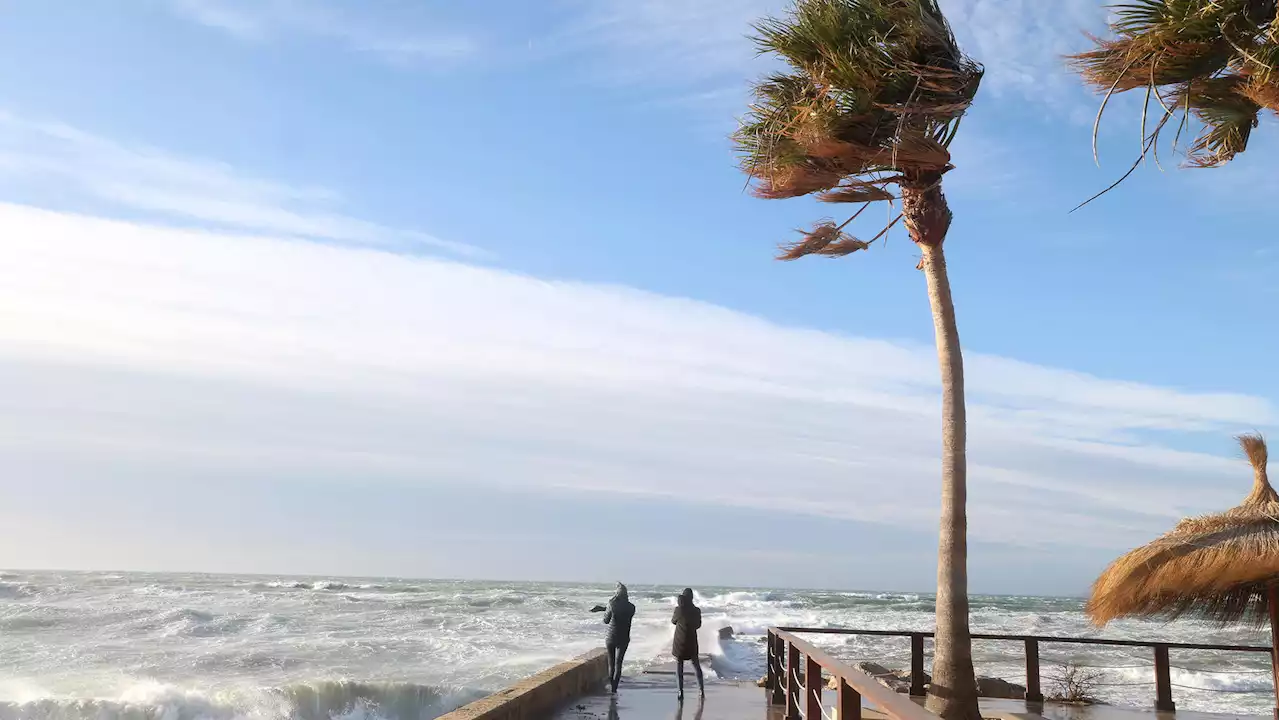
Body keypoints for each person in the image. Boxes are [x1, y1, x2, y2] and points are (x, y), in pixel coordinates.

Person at [671, 588, 703, 701]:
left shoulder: (679, 610)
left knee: (679, 668)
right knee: (696, 666)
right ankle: (701, 690)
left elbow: (673, 621)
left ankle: (680, 691)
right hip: (692, 642)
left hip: (679, 641)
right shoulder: (696, 611)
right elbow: (698, 625)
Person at [602, 582, 635, 693]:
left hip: (611, 637)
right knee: (618, 663)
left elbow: (606, 620)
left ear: (617, 593)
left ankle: (611, 687)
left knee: (611, 663)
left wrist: (611, 600)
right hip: (624, 638)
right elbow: (621, 611)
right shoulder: (632, 607)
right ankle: (614, 689)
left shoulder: (611, 603)